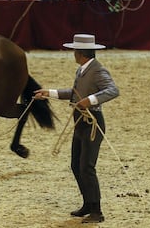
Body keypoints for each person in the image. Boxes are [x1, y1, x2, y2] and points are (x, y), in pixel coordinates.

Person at [34, 34, 119, 224]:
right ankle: (88, 203)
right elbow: (74, 93)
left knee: (87, 167)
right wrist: (50, 93)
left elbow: (113, 90)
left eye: (74, 51)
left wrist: (90, 100)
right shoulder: (82, 71)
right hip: (80, 122)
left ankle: (96, 210)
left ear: (79, 53)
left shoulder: (97, 70)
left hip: (91, 123)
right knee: (76, 165)